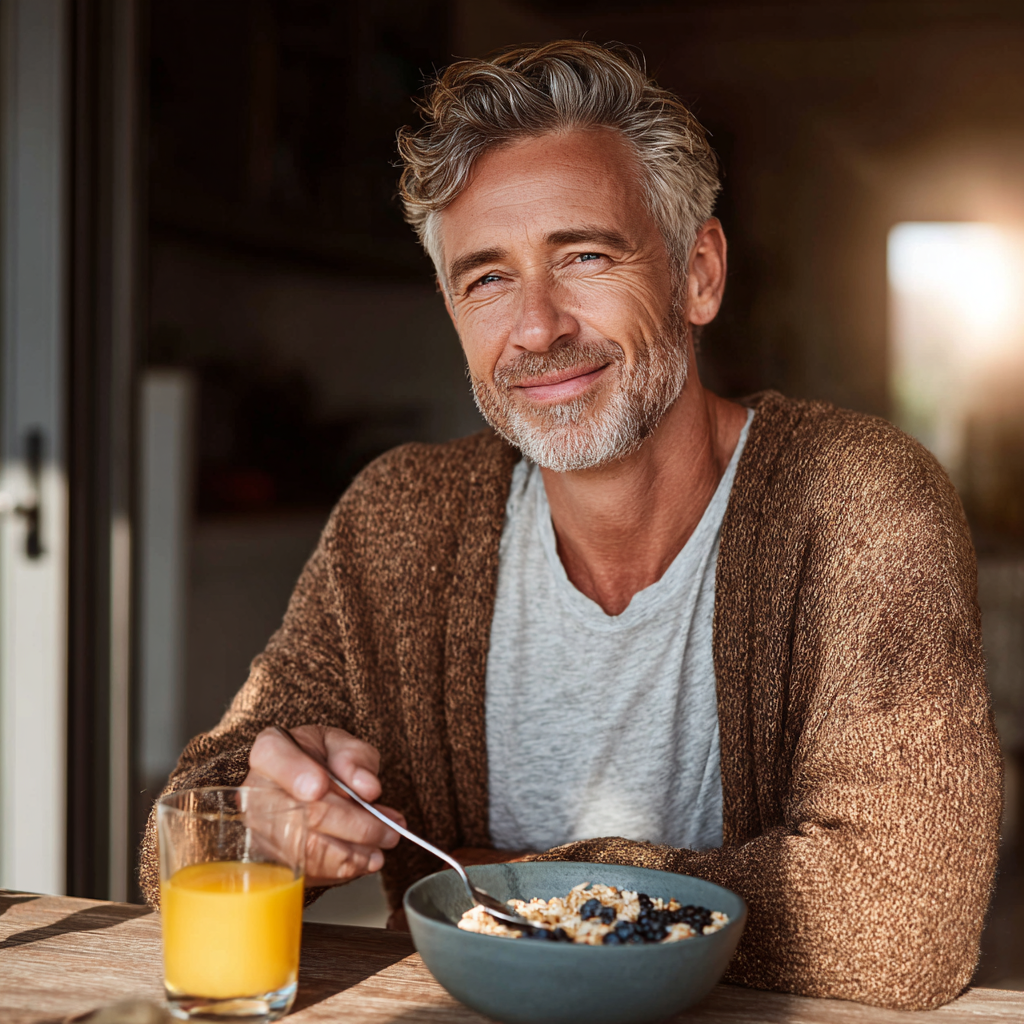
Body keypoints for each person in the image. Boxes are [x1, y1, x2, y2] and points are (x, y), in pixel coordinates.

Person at [139, 41, 1001, 1011]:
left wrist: (496, 877)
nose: (538, 327)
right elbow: (181, 830)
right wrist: (274, 822)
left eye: (584, 256)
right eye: (487, 279)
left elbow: (903, 916)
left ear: (698, 275)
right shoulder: (400, 521)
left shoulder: (860, 502)